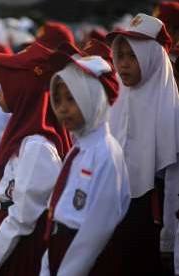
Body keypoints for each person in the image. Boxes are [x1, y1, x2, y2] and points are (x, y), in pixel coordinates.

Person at [0, 42, 71, 276]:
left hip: (17, 252)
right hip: (1, 245)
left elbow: (22, 216)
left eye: (6, 85)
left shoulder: (37, 147)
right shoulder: (22, 139)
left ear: (23, 90)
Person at [40, 52, 131, 276]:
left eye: (71, 98)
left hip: (84, 258)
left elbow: (97, 230)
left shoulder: (106, 152)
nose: (61, 108)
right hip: (59, 246)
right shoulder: (78, 149)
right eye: (58, 99)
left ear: (92, 99)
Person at [107, 13, 179, 275]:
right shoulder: (116, 102)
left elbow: (173, 182)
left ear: (152, 58)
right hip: (116, 212)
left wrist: (168, 240)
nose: (124, 64)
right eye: (121, 55)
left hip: (151, 221)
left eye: (133, 56)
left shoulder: (171, 111)